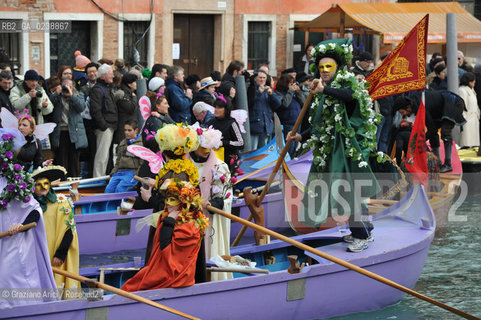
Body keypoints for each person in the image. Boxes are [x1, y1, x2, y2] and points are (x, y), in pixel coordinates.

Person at [288, 38, 380, 253]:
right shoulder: (326, 88)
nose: (324, 71)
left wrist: (324, 91)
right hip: (333, 149)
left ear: (338, 67)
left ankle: (362, 236)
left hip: (349, 149)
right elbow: (324, 123)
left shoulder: (347, 82)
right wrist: (301, 137)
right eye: (321, 67)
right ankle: (366, 229)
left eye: (329, 67)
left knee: (348, 192)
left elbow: (351, 97)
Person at [123, 124, 208, 291]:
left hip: (174, 225)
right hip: (191, 221)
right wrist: (157, 185)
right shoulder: (188, 167)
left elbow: (170, 205)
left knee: (161, 265)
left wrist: (149, 199)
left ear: (166, 151)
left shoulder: (171, 172)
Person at [0, 129, 58, 308]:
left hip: (13, 242)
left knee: (9, 278)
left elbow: (34, 209)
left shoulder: (13, 182)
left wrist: (20, 225)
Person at [186, 126, 233, 281]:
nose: (206, 151)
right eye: (202, 148)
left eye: (208, 148)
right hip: (188, 219)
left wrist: (216, 203)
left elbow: (226, 196)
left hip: (209, 218)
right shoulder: (182, 166)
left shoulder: (220, 167)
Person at [31, 165, 81, 298]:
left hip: (56, 253)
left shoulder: (61, 202)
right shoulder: (31, 205)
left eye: (46, 184)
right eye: (39, 184)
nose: (42, 187)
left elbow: (69, 230)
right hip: (40, 252)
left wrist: (61, 253)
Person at [395, 90, 466, 173]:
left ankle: (448, 164)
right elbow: (431, 128)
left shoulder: (420, 105)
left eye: (402, 112)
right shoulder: (416, 103)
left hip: (453, 103)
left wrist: (421, 141)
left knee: (445, 131)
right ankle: (437, 162)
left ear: (408, 107)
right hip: (440, 107)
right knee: (432, 131)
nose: (404, 115)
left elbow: (432, 130)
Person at [49, 78, 87, 177]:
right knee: (62, 161)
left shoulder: (78, 95)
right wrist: (55, 94)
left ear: (73, 86)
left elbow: (81, 107)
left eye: (69, 86)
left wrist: (72, 95)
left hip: (74, 133)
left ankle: (74, 183)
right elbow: (49, 106)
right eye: (64, 86)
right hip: (60, 132)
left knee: (74, 161)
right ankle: (63, 182)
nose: (66, 88)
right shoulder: (57, 96)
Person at [90, 64, 118, 177]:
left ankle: (101, 178)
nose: (113, 76)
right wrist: (104, 125)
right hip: (105, 127)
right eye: (111, 73)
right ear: (103, 75)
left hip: (109, 125)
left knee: (105, 155)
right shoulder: (98, 90)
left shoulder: (107, 88)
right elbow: (95, 110)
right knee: (101, 156)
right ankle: (97, 179)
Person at [206, 97, 244, 174]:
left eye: (219, 107)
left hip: (229, 161)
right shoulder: (211, 122)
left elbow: (241, 143)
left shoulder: (232, 123)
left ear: (226, 109)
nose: (216, 110)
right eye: (215, 107)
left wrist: (223, 143)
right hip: (214, 161)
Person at [105, 119, 143, 193]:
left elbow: (142, 163)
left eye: (129, 130)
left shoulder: (141, 144)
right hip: (119, 172)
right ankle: (109, 205)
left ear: (136, 130)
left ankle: (121, 205)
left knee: (120, 188)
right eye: (125, 130)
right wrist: (113, 173)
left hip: (132, 173)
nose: (126, 132)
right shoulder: (122, 143)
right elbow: (118, 161)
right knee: (108, 189)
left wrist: (136, 176)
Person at [247, 70, 281, 149]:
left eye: (264, 78)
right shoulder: (251, 89)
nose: (262, 80)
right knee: (252, 152)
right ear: (255, 79)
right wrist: (259, 93)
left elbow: (278, 104)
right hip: (254, 127)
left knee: (263, 153)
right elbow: (249, 103)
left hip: (265, 127)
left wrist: (271, 94)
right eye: (260, 78)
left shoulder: (267, 90)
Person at [275, 73, 302, 158]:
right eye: (290, 83)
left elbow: (304, 102)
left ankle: (292, 163)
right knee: (289, 146)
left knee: (295, 146)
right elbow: (285, 104)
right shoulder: (279, 94)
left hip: (297, 121)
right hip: (288, 122)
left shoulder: (293, 93)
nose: (292, 85)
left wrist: (298, 92)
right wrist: (290, 91)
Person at [114, 73, 139, 144]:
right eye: (135, 82)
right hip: (124, 128)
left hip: (132, 126)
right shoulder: (122, 94)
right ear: (129, 84)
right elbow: (130, 108)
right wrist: (134, 98)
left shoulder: (131, 93)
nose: (137, 84)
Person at [458, 72, 480, 147]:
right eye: (472, 80)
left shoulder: (472, 90)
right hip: (467, 118)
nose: (474, 82)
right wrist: (464, 118)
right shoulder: (462, 90)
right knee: (467, 139)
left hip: (474, 118)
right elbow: (462, 106)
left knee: (474, 140)